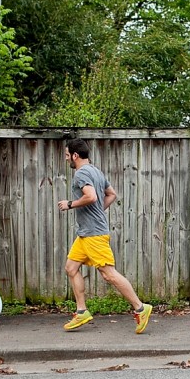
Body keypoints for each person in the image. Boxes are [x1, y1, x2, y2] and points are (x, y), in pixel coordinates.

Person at [59, 138, 152, 334]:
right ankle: (81, 311)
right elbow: (111, 194)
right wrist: (97, 212)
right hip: (85, 234)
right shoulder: (96, 171)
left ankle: (141, 308)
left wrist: (70, 204)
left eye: (67, 155)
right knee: (71, 267)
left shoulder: (81, 173)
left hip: (94, 234)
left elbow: (91, 196)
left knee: (109, 274)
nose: (67, 159)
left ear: (75, 155)